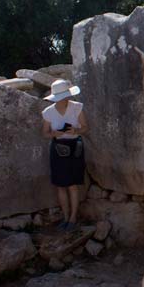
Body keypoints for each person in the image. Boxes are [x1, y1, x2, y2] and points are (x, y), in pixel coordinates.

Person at [40, 79, 88, 230]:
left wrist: (76, 131)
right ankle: (66, 217)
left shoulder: (77, 107)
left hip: (74, 148)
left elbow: (86, 127)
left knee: (72, 185)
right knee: (61, 185)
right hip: (58, 148)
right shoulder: (48, 112)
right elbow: (45, 133)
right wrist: (55, 133)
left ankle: (72, 218)